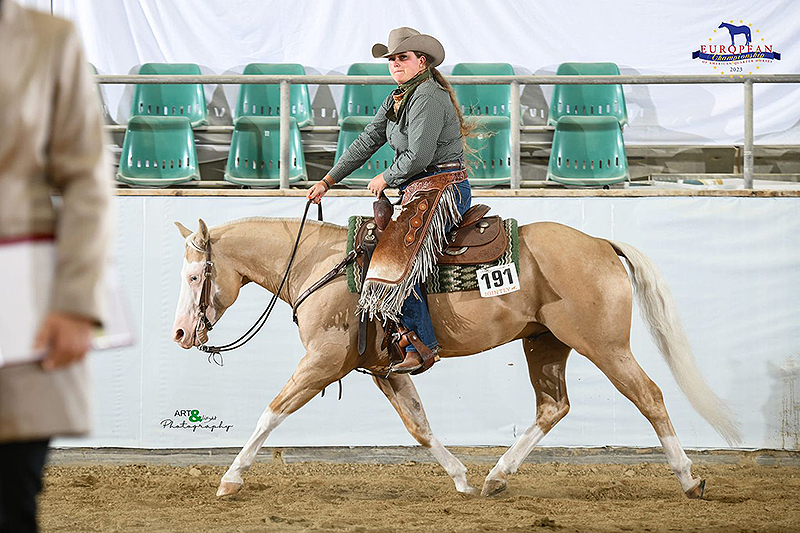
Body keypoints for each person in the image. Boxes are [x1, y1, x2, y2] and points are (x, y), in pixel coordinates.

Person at [0, 1, 112, 531]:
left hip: (19, 306)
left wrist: (75, 302)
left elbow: (87, 181)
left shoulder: (49, 40)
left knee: (10, 495)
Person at [308, 27, 472, 374]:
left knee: (396, 259)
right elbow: (368, 140)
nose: (395, 64)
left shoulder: (427, 95)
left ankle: (422, 345)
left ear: (421, 61)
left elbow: (420, 154)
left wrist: (386, 177)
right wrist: (329, 179)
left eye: (403, 58)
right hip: (421, 188)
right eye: (392, 59)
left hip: (443, 186)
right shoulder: (399, 97)